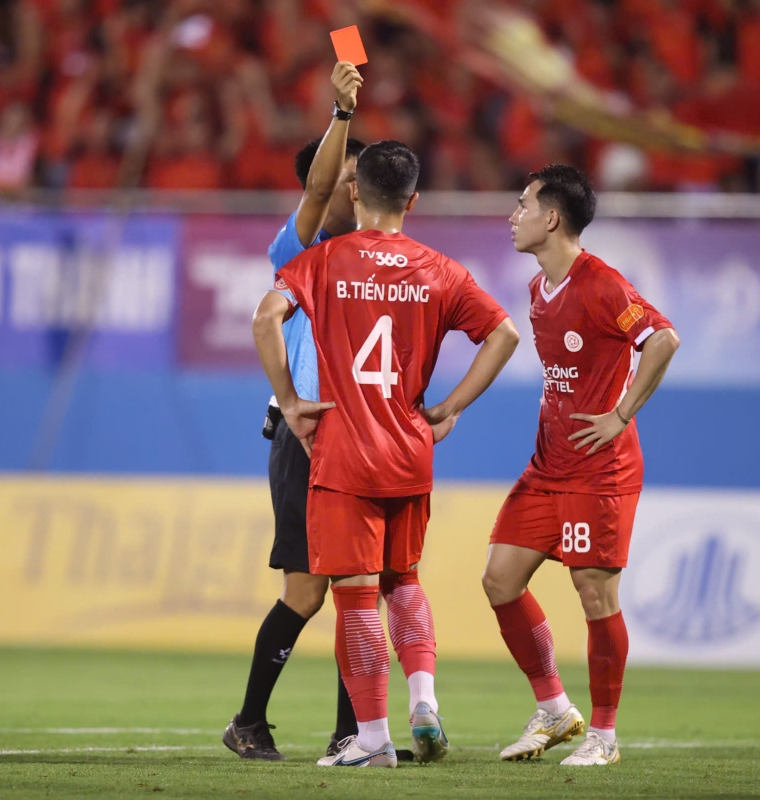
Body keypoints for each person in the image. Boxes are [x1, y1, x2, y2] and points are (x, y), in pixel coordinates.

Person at [253, 140, 520, 768]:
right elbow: (505, 334)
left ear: (354, 191)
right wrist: (451, 407)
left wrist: (290, 401)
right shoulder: (440, 269)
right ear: (413, 200)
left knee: (353, 597)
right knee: (404, 585)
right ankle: (423, 699)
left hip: (345, 450)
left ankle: (371, 739)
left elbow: (266, 319)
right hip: (410, 449)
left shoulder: (323, 260)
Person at [483, 165, 679, 767]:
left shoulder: (602, 284)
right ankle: (553, 709)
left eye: (522, 204)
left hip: (600, 468)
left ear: (552, 218)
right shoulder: (538, 289)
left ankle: (604, 736)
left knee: (594, 591)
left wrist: (620, 414)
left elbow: (663, 339)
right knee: (500, 580)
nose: (513, 215)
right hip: (549, 467)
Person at [224, 61, 369, 762]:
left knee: (358, 588)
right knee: (309, 592)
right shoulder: (300, 248)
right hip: (305, 433)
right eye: (347, 174)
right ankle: (249, 722)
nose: (355, 185)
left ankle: (353, 732)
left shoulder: (377, 257)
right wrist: (342, 113)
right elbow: (318, 186)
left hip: (358, 436)